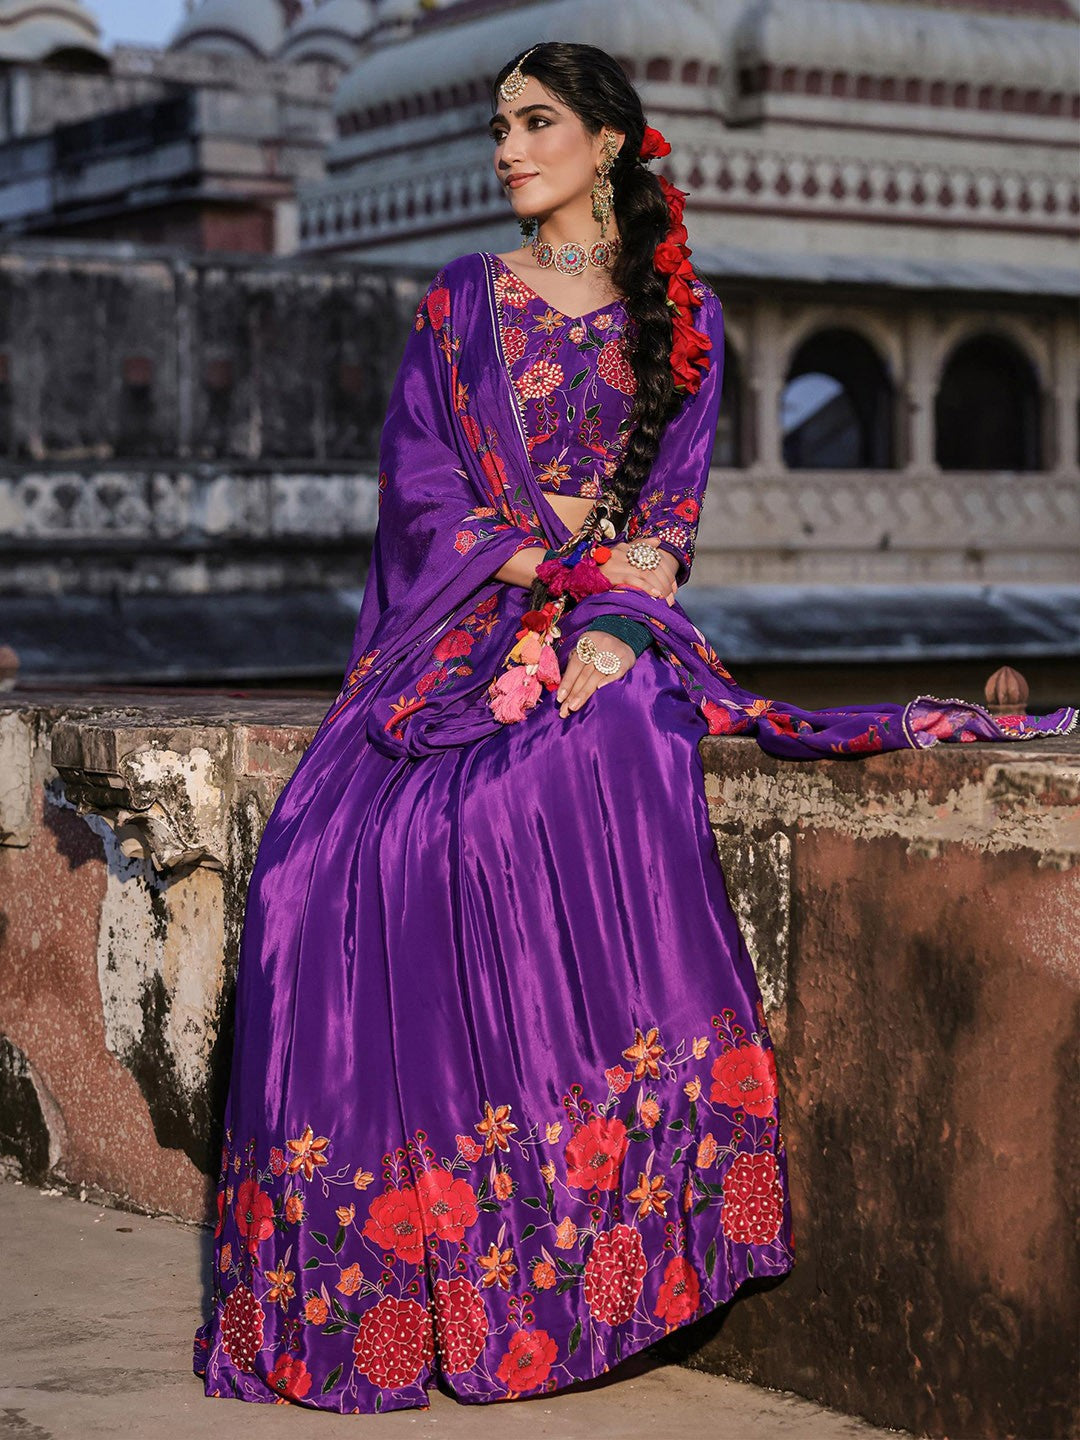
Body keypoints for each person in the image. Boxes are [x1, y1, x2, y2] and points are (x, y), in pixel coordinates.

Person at [192, 41, 1076, 1414]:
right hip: (468, 626)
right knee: (322, 859)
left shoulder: (687, 322)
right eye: (499, 126)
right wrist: (534, 576)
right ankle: (405, 1277)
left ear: (609, 143)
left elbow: (668, 518)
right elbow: (423, 490)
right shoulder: (460, 301)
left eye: (534, 123)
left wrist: (607, 626)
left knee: (549, 782)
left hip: (614, 629)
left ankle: (577, 1243)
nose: (505, 150)